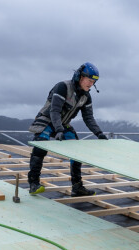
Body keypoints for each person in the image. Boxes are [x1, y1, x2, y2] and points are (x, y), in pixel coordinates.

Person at [27, 62, 108, 196]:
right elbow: (55, 111)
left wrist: (99, 133)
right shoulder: (63, 87)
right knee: (40, 146)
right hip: (47, 120)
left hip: (62, 124)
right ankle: (33, 183)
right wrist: (58, 130)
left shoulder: (86, 96)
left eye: (93, 82)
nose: (91, 84)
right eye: (89, 80)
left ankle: (77, 187)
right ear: (80, 77)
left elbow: (88, 118)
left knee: (76, 149)